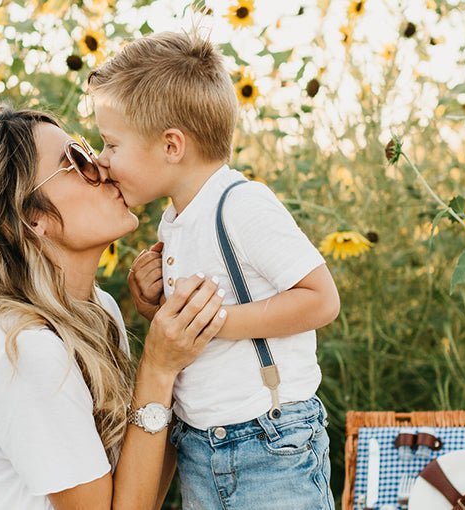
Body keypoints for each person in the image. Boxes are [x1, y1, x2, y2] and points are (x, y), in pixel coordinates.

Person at [0, 106, 228, 510]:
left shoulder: (96, 311)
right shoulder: (21, 350)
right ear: (31, 217)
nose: (103, 165)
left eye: (90, 149)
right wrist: (157, 369)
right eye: (76, 159)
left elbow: (136, 498)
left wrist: (172, 349)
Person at [87, 31, 342, 509]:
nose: (102, 161)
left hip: (270, 441)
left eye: (111, 144)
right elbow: (191, 335)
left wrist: (217, 322)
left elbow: (320, 298)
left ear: (171, 146)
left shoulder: (240, 204)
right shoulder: (177, 219)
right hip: (202, 446)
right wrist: (153, 305)